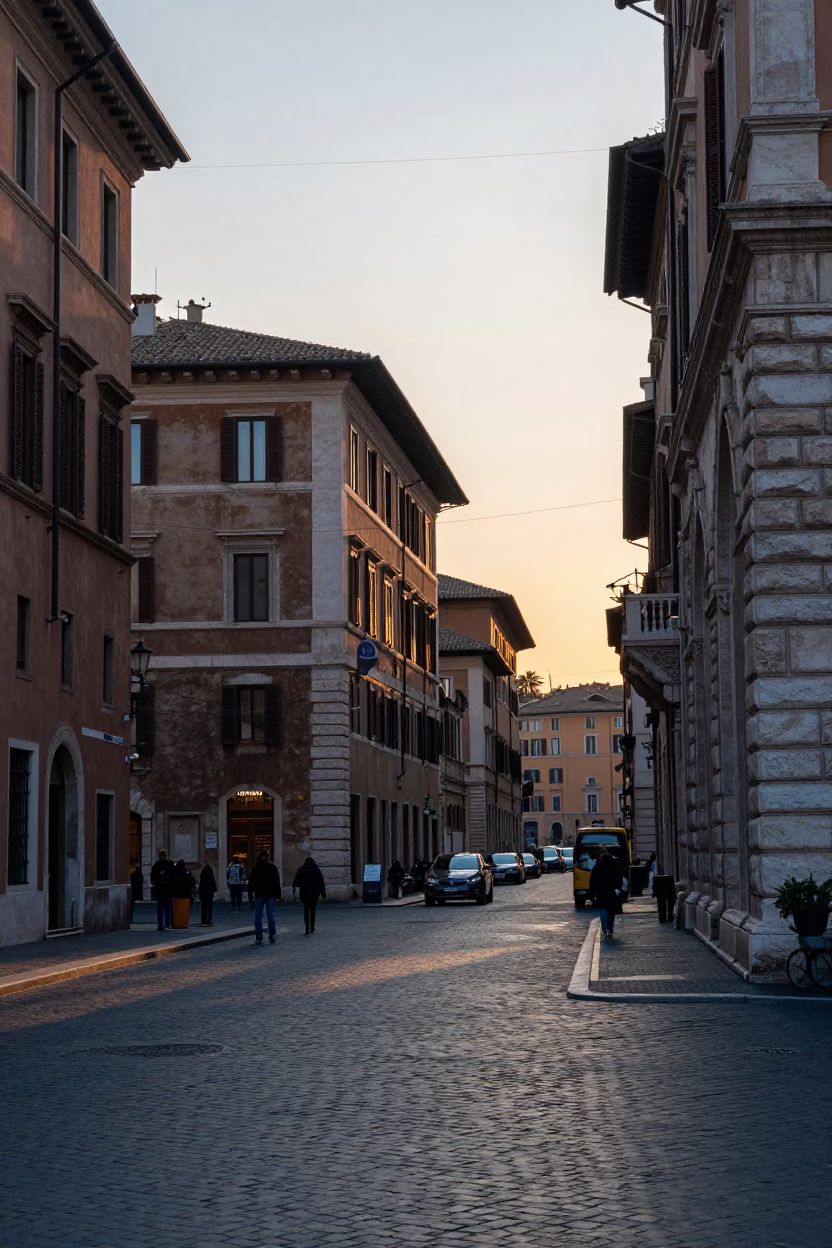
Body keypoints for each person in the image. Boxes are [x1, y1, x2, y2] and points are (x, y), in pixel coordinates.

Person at [248, 848, 281, 945]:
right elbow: (276, 882)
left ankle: (259, 937)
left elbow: (251, 884)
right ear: (268, 856)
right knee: (271, 915)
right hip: (270, 894)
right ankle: (272, 934)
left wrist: (250, 896)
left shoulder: (255, 868)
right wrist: (278, 895)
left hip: (259, 894)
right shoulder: (272, 867)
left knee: (258, 916)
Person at [590, 851, 624, 939]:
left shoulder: (597, 867)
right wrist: (618, 889)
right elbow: (620, 879)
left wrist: (592, 893)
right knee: (611, 912)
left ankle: (605, 930)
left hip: (601, 892)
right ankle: (610, 929)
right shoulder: (615, 866)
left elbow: (593, 881)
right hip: (612, 892)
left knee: (603, 909)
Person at [293, 856, 327, 934]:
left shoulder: (301, 869)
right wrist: (323, 894)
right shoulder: (316, 870)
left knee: (306, 910)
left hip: (304, 894)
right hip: (314, 894)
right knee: (313, 911)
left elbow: (296, 882)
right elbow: (321, 882)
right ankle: (312, 926)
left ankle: (307, 926)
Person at [150, 850, 175, 932]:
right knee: (168, 907)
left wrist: (158, 884)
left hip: (159, 889)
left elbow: (152, 879)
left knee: (160, 908)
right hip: (168, 889)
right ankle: (167, 925)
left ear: (159, 856)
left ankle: (160, 925)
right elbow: (173, 877)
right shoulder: (170, 865)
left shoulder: (156, 865)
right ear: (166, 855)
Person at [198, 861, 217, 926]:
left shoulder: (204, 871)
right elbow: (213, 881)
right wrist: (214, 890)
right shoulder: (210, 871)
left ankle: (204, 921)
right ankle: (208, 921)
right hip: (209, 891)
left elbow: (202, 882)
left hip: (203, 892)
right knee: (209, 907)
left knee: (204, 907)